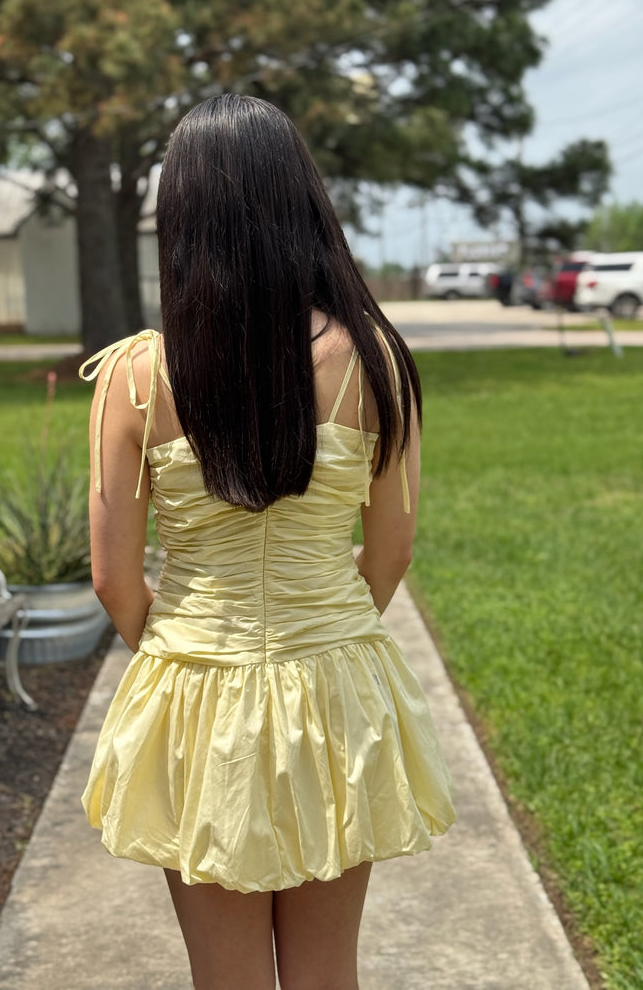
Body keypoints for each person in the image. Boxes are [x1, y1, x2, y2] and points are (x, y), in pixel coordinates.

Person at [79, 94, 454, 990]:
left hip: (195, 690)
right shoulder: (376, 359)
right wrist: (321, 628)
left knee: (227, 978)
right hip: (335, 682)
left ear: (182, 216)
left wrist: (184, 648)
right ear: (303, 201)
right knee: (327, 973)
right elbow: (391, 554)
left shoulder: (134, 375)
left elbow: (113, 580)